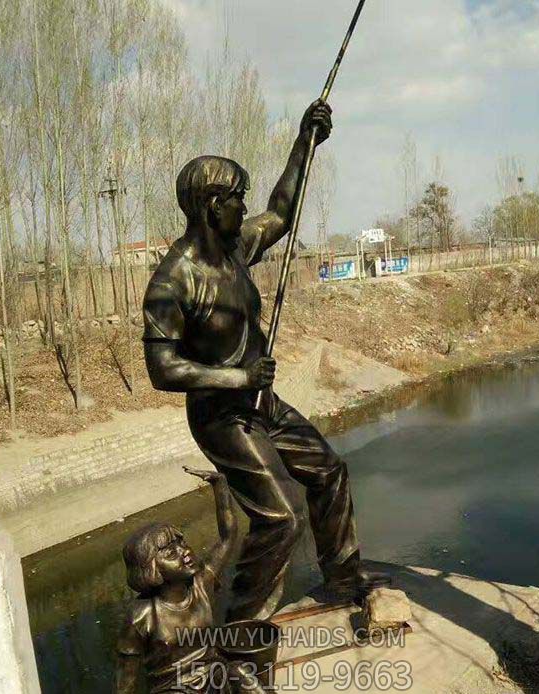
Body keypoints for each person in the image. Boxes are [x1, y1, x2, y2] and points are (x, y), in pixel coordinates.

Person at [142, 100, 386, 622]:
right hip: (221, 416)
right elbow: (163, 369)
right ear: (214, 205)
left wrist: (305, 141)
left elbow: (280, 212)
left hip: (262, 402)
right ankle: (243, 631)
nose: (243, 207)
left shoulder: (234, 249)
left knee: (329, 471)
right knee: (281, 517)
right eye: (237, 199)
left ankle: (343, 578)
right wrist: (239, 376)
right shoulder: (173, 281)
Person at [115, 467, 265, 694]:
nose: (184, 551)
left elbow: (228, 536)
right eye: (170, 552)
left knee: (241, 673)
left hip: (212, 675)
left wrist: (220, 485)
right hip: (173, 688)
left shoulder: (201, 584)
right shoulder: (140, 616)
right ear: (151, 568)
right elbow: (125, 682)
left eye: (182, 543)